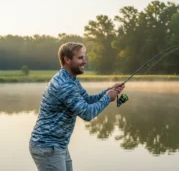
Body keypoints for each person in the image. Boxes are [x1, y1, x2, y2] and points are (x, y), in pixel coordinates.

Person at [29, 42, 125, 171]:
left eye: (84, 57)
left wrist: (109, 90)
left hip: (58, 145)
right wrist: (108, 97)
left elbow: (87, 100)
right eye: (80, 58)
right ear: (67, 60)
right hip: (47, 147)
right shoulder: (64, 85)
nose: (85, 61)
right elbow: (87, 113)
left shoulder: (71, 80)